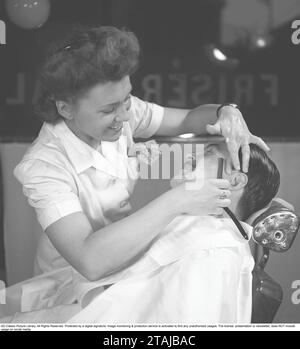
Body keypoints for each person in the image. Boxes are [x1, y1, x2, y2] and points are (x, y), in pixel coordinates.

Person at [13, 26, 269, 313]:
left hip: (129, 271)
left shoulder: (123, 110)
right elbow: (90, 260)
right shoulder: (44, 166)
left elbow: (187, 120)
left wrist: (227, 112)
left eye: (126, 100)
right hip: (73, 286)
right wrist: (180, 200)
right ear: (65, 109)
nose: (124, 116)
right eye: (109, 110)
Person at [67, 142, 280, 324]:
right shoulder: (189, 231)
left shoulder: (210, 257)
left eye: (208, 153)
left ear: (233, 181)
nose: (189, 156)